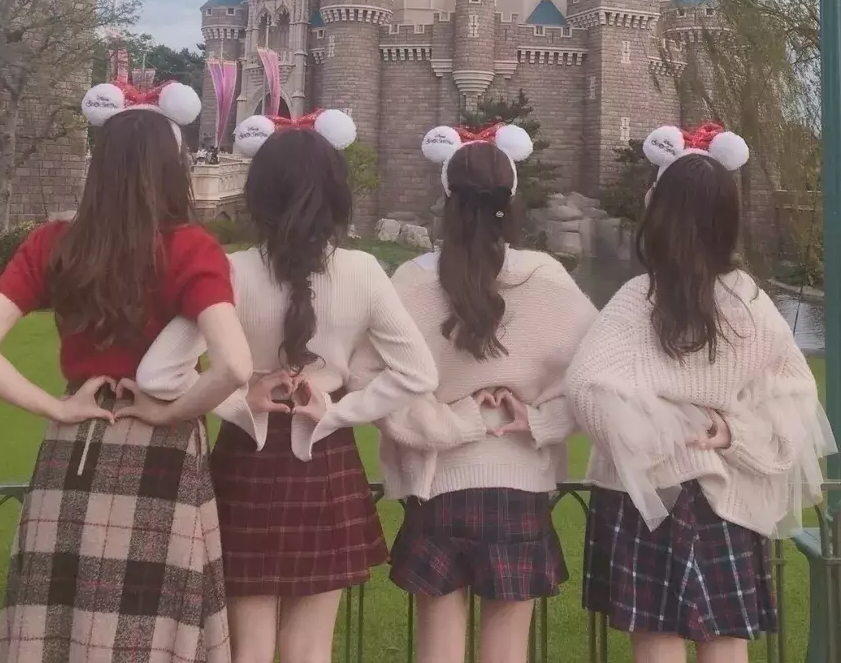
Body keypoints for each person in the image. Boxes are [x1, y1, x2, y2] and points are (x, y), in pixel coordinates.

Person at [0, 79, 253, 663]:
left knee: (59, 614)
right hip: (161, 449)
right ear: (173, 169)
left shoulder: (53, 243)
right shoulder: (192, 248)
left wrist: (56, 406)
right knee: (151, 623)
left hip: (77, 441)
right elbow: (235, 365)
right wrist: (169, 412)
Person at [134, 108, 439, 663]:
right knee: (309, 648)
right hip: (325, 456)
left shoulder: (231, 271)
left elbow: (159, 373)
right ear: (336, 195)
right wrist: (336, 412)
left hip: (245, 459)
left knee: (246, 647)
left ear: (259, 195)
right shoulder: (363, 271)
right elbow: (419, 374)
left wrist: (237, 400)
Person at [567, 122, 835, 663]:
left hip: (648, 497)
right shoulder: (750, 301)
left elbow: (588, 386)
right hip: (727, 495)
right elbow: (796, 392)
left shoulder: (639, 298)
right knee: (725, 638)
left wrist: (658, 435)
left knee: (657, 637)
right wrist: (732, 432)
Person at [365, 123, 598, 663]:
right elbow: (598, 375)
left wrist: (454, 423)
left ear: (447, 199)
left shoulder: (411, 282)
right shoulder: (546, 277)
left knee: (438, 650)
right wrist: (541, 420)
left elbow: (378, 385)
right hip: (518, 486)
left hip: (437, 485)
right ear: (510, 201)